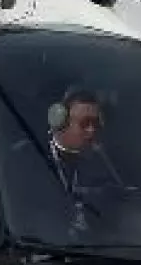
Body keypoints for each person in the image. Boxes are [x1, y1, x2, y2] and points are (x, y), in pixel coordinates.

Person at [47, 87, 128, 238]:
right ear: (60, 123)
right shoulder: (30, 160)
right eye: (85, 123)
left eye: (95, 124)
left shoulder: (105, 162)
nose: (92, 130)